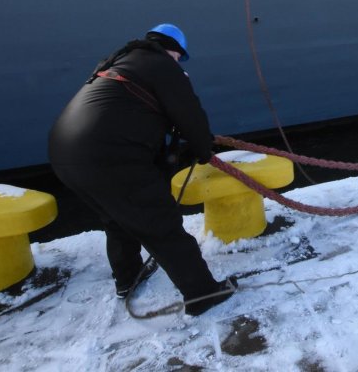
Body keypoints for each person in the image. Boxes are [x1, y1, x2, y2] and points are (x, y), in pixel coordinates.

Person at [48, 23, 236, 316]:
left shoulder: (117, 62)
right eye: (179, 58)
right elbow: (191, 115)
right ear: (174, 51)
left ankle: (128, 279)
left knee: (118, 218)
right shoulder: (162, 65)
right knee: (161, 223)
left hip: (65, 155)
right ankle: (203, 294)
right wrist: (202, 149)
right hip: (109, 157)